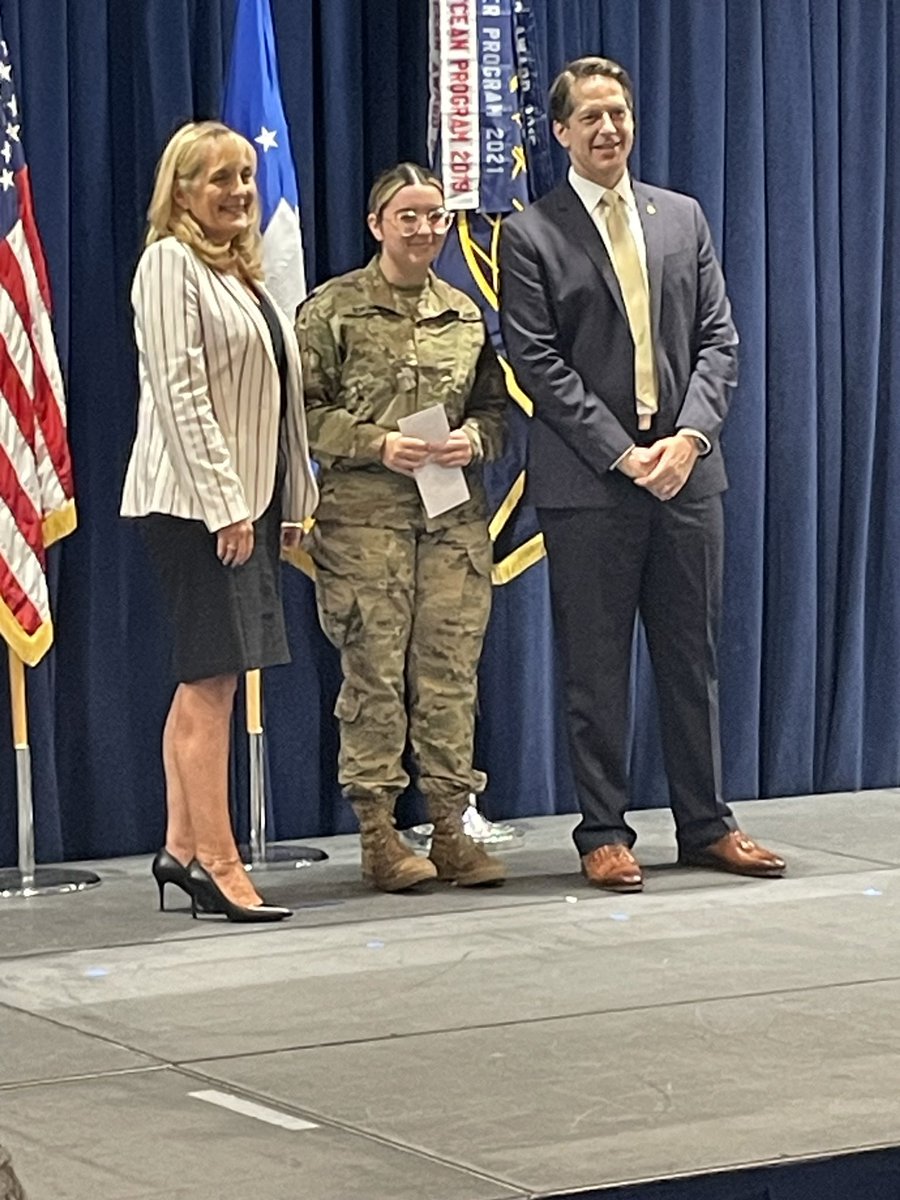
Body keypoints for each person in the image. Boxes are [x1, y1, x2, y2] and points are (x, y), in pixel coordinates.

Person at [499, 57, 785, 892]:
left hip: (688, 477)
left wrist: (688, 440)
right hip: (593, 484)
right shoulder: (531, 233)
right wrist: (624, 454)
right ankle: (602, 832)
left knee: (691, 659)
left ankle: (706, 825)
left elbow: (721, 342)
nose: (607, 129)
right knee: (595, 668)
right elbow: (538, 363)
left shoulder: (681, 217)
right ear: (560, 133)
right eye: (588, 117)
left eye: (618, 113)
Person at [121, 121, 318, 921]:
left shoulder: (241, 275)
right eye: (220, 179)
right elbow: (180, 392)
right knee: (212, 683)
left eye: (246, 176)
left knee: (208, 679)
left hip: (246, 507)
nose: (240, 191)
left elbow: (277, 405)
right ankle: (218, 861)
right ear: (181, 192)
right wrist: (226, 506)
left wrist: (294, 503)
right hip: (197, 508)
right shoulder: (169, 264)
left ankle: (178, 847)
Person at [296, 163, 507, 892]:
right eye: (408, 216)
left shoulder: (466, 314)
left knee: (450, 675)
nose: (424, 229)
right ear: (376, 224)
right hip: (365, 527)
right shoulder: (331, 309)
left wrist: (472, 441)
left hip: (450, 523)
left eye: (435, 217)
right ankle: (379, 836)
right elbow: (304, 414)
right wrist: (375, 442)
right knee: (375, 679)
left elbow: (497, 413)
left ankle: (451, 827)